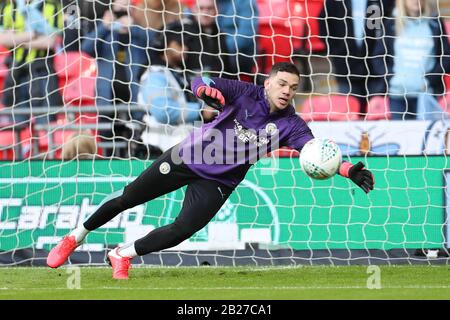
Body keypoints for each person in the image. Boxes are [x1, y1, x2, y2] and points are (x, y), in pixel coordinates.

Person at [46, 62, 374, 279]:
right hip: (186, 158)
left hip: (220, 182)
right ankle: (75, 237)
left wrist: (347, 170)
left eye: (294, 87)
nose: (287, 90)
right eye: (282, 83)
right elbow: (199, 81)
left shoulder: (291, 124)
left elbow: (315, 153)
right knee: (128, 197)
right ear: (268, 82)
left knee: (182, 229)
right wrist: (206, 91)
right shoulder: (244, 92)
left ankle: (122, 254)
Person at [80, 0, 154, 157]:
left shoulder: (138, 32)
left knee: (137, 139)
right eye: (119, 7)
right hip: (108, 95)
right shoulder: (106, 33)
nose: (122, 12)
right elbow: (85, 48)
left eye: (126, 7)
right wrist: (104, 26)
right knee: (107, 139)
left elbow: (157, 42)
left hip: (134, 95)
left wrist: (133, 27)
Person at [371, 0, 450, 120]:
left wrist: (428, 80)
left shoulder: (435, 24)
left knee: (424, 136)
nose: (416, 1)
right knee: (402, 135)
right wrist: (392, 77)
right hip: (398, 95)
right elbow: (378, 57)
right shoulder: (391, 24)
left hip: (426, 94)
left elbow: (445, 58)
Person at [319, 0, 395, 112]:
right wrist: (337, 51)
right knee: (349, 117)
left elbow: (390, 28)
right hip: (346, 70)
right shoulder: (335, 2)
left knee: (377, 117)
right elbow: (324, 25)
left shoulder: (381, 2)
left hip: (376, 72)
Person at [0, 0, 64, 127]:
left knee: (45, 129)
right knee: (18, 130)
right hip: (16, 75)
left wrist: (16, 39)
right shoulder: (7, 6)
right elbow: (2, 40)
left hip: (43, 75)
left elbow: (49, 42)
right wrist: (33, 34)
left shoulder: (52, 6)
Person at [139, 28, 217, 125]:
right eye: (180, 44)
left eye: (186, 44)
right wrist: (200, 111)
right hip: (161, 138)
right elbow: (163, 112)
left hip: (179, 136)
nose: (185, 48)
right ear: (165, 45)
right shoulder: (154, 74)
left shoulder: (177, 72)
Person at [215, 0, 258, 79]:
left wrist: (218, 49)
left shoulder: (245, 3)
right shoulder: (209, 2)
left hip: (240, 53)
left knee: (217, 60)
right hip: (212, 48)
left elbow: (246, 36)